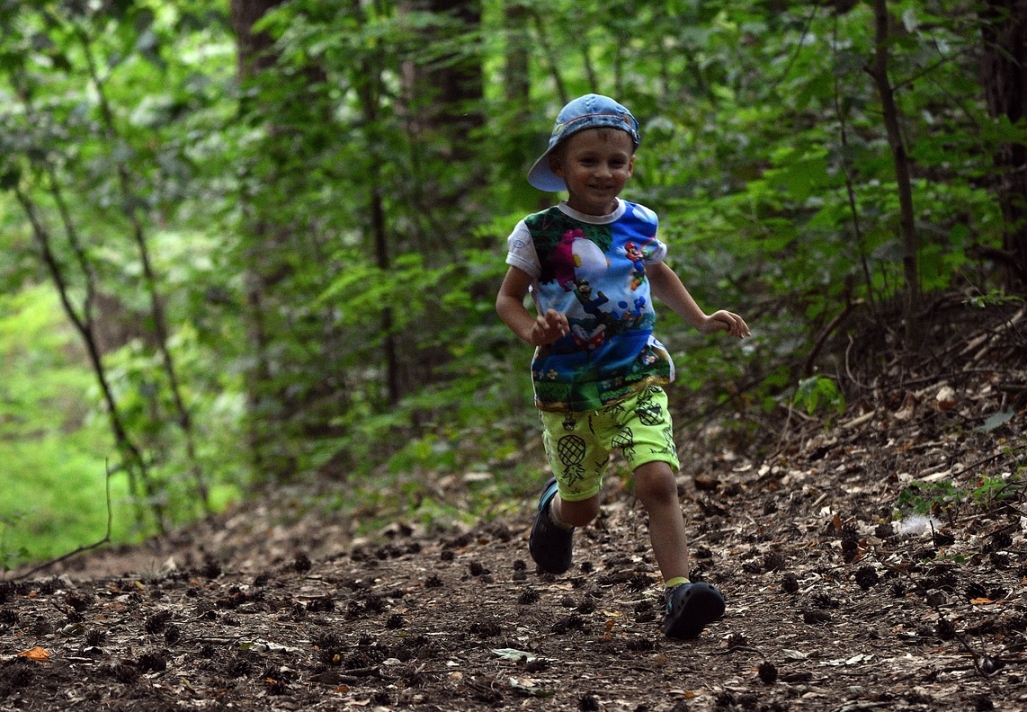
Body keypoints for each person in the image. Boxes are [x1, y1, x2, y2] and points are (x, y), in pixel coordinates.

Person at [495, 94, 750, 640]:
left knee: (658, 478)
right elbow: (508, 301)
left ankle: (679, 592)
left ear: (631, 165)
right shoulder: (538, 233)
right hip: (569, 387)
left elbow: (658, 273)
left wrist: (702, 319)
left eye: (617, 161)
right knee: (584, 508)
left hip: (638, 372)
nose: (604, 172)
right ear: (560, 166)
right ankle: (555, 512)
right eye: (588, 160)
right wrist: (532, 331)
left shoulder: (640, 222)